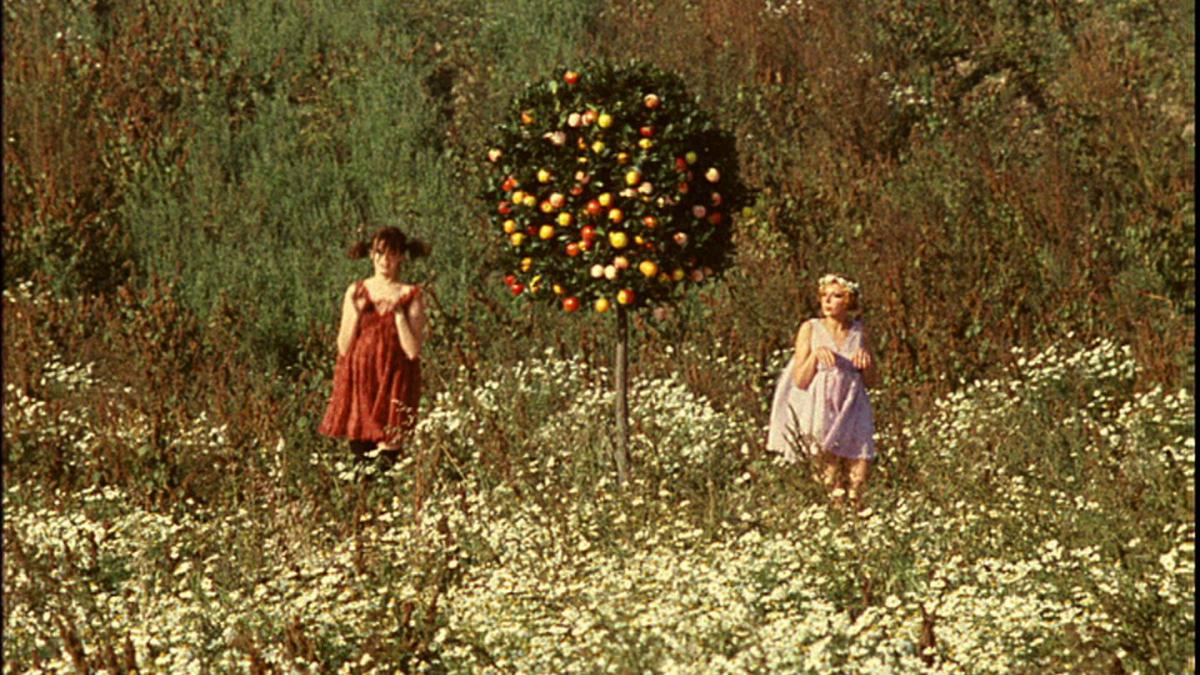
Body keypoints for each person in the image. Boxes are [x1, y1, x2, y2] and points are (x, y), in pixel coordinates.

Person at [318, 225, 430, 469]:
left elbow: (413, 351)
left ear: (401, 256)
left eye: (392, 253)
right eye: (379, 253)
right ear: (371, 254)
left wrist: (399, 317)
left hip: (394, 378)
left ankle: (384, 488)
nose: (384, 260)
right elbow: (343, 346)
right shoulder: (357, 291)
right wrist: (358, 313)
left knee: (388, 456)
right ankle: (361, 491)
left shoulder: (411, 295)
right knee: (360, 456)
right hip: (361, 378)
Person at [767, 273, 879, 508]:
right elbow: (800, 380)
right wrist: (815, 356)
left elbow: (872, 381)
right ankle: (836, 518)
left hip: (853, 405)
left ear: (848, 301)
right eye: (824, 296)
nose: (828, 301)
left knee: (859, 475)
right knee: (830, 478)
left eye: (836, 296)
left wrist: (866, 363)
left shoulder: (858, 331)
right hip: (822, 406)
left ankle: (857, 516)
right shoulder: (811, 329)